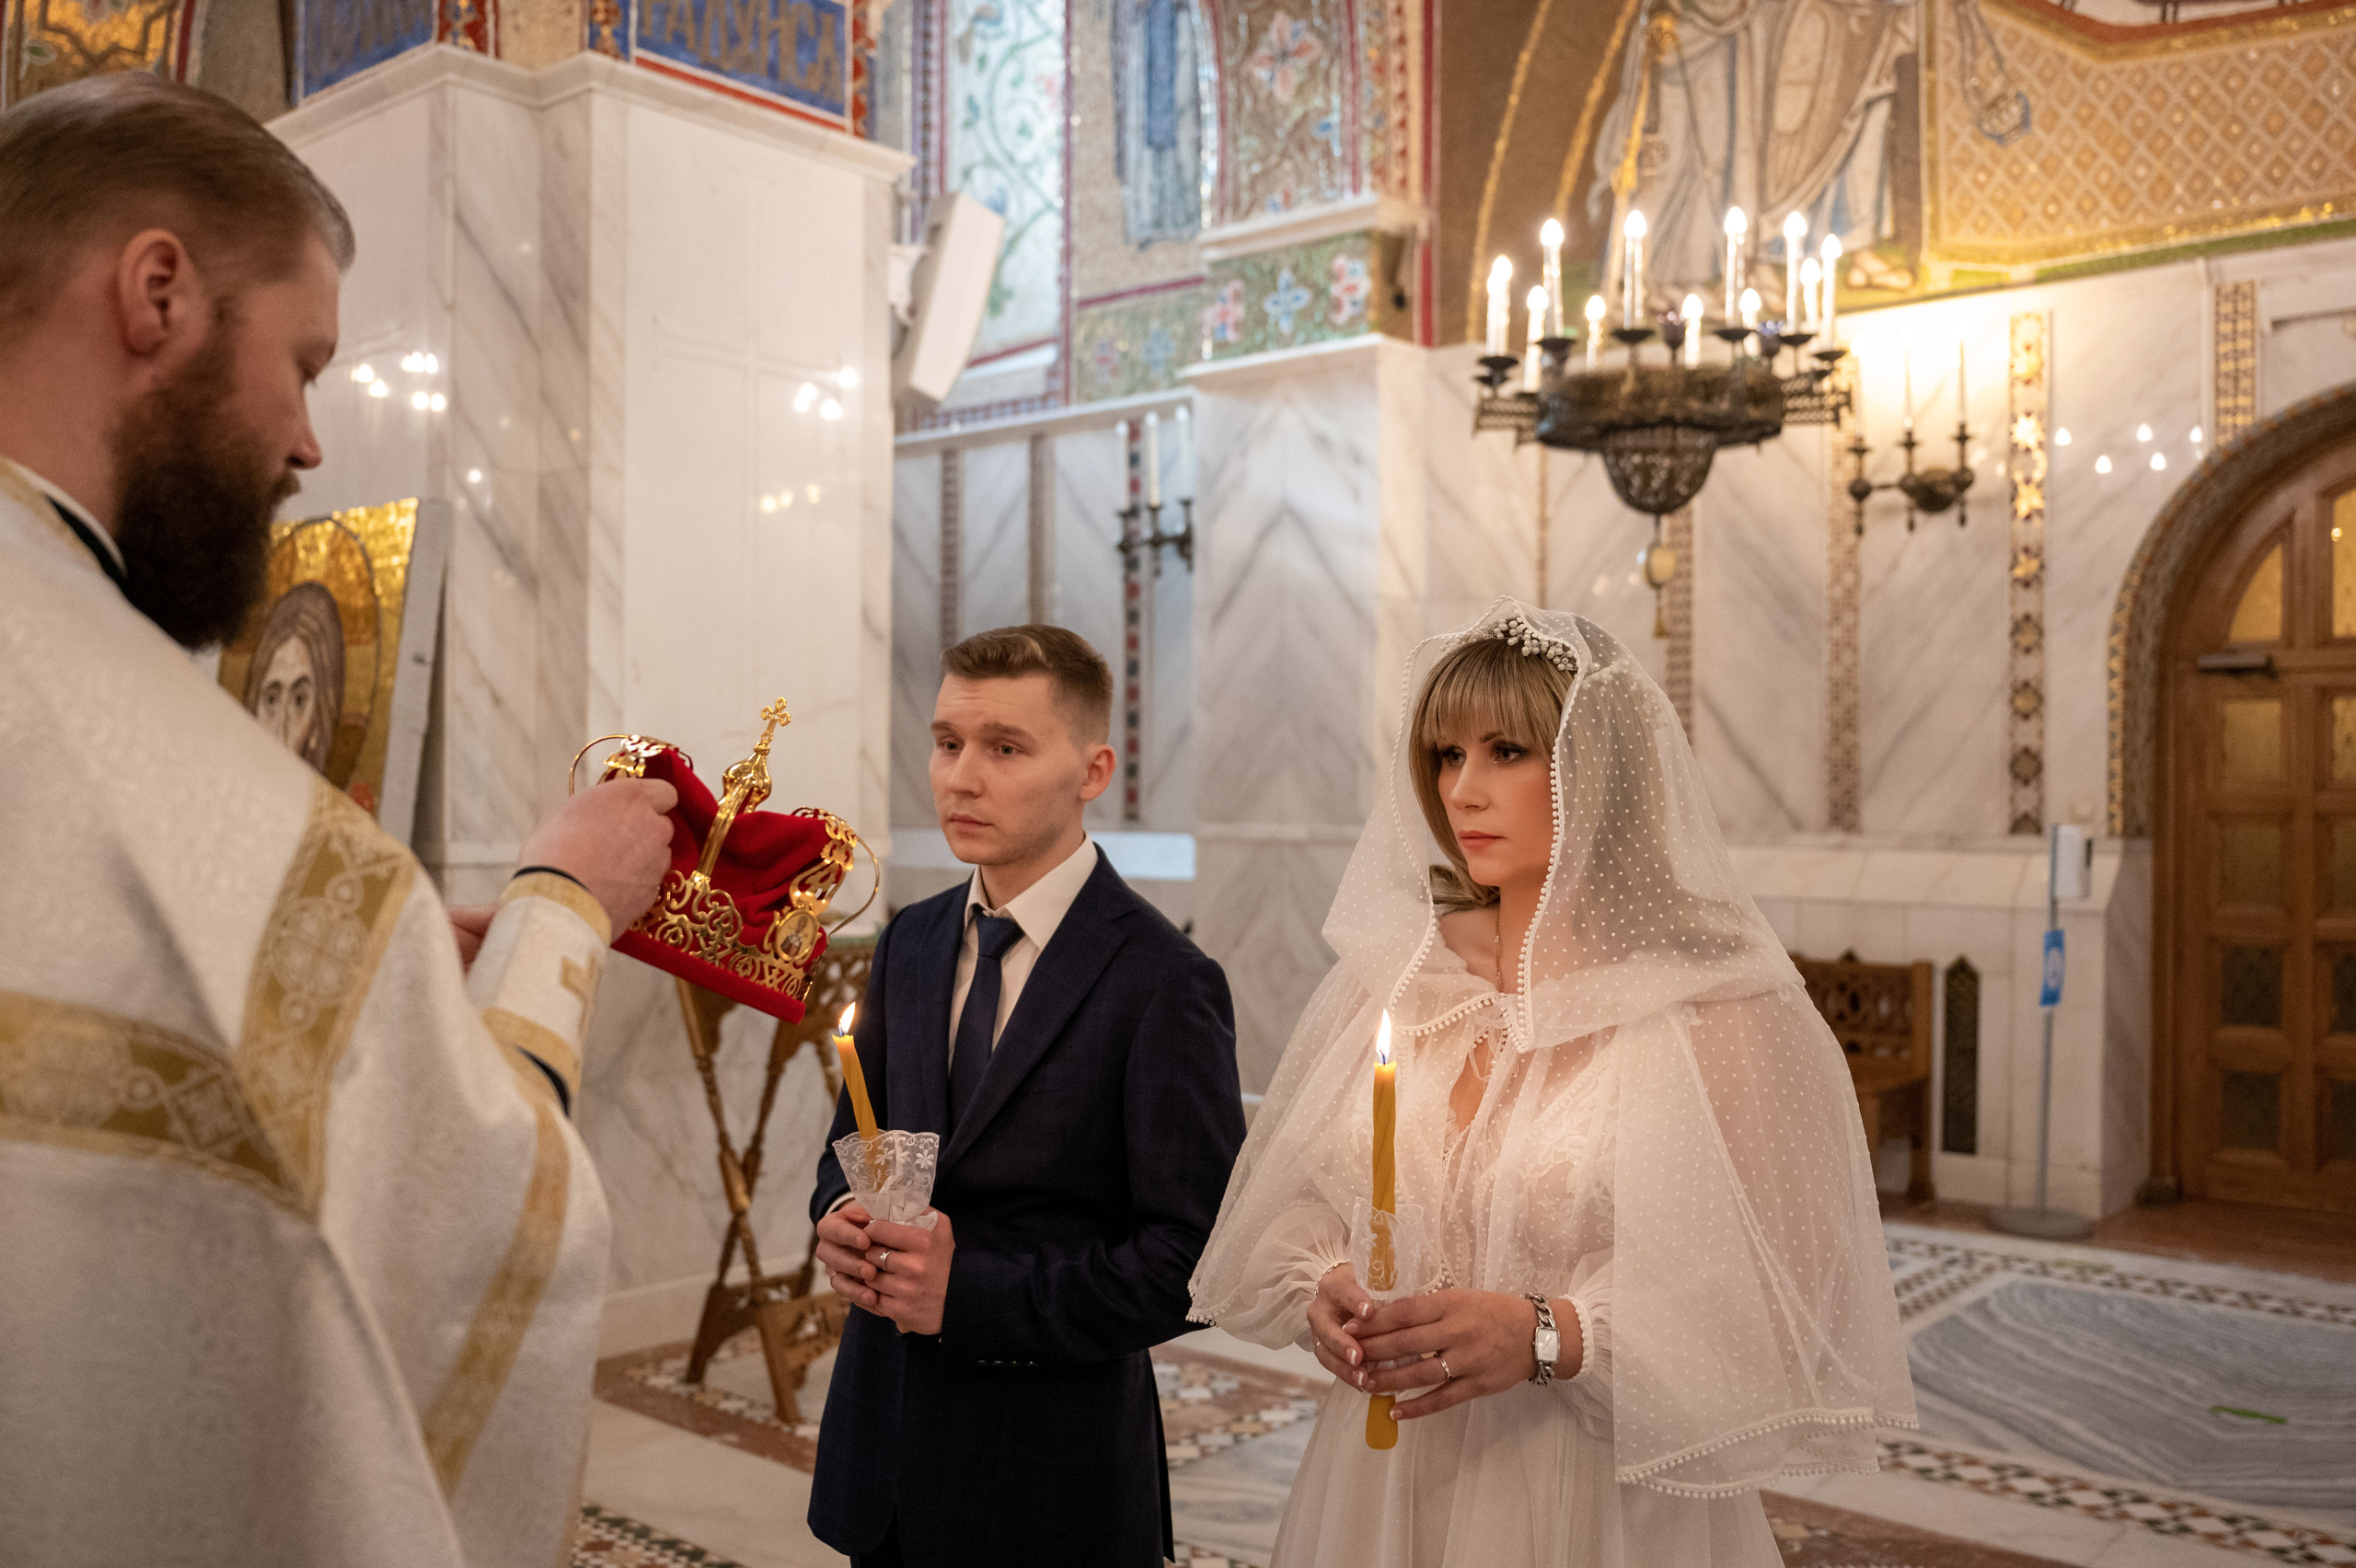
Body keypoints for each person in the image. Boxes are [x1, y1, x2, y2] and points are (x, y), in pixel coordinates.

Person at [0, 75, 678, 1567]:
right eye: (300, 359)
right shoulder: (174, 788)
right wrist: (564, 901)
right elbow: (482, 1240)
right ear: (158, 291)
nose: (309, 440)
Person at [1188, 600, 1916, 1565]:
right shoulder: (1402, 977)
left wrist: (1550, 1334)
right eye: (1446, 757)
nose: (1464, 791)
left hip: (1592, 1491)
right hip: (1386, 1468)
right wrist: (1323, 1283)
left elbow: (1787, 1310)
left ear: (1598, 771)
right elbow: (1302, 1199)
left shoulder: (1711, 1008)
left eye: (1506, 752)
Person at [807, 624, 1247, 1567]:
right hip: (881, 1451)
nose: (961, 777)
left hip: (1049, 1474)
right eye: (947, 742)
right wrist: (841, 1213)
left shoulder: (1162, 980)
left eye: (1005, 748)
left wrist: (969, 1293)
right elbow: (853, 1141)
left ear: (1092, 770)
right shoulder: (912, 944)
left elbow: (1196, 1262)